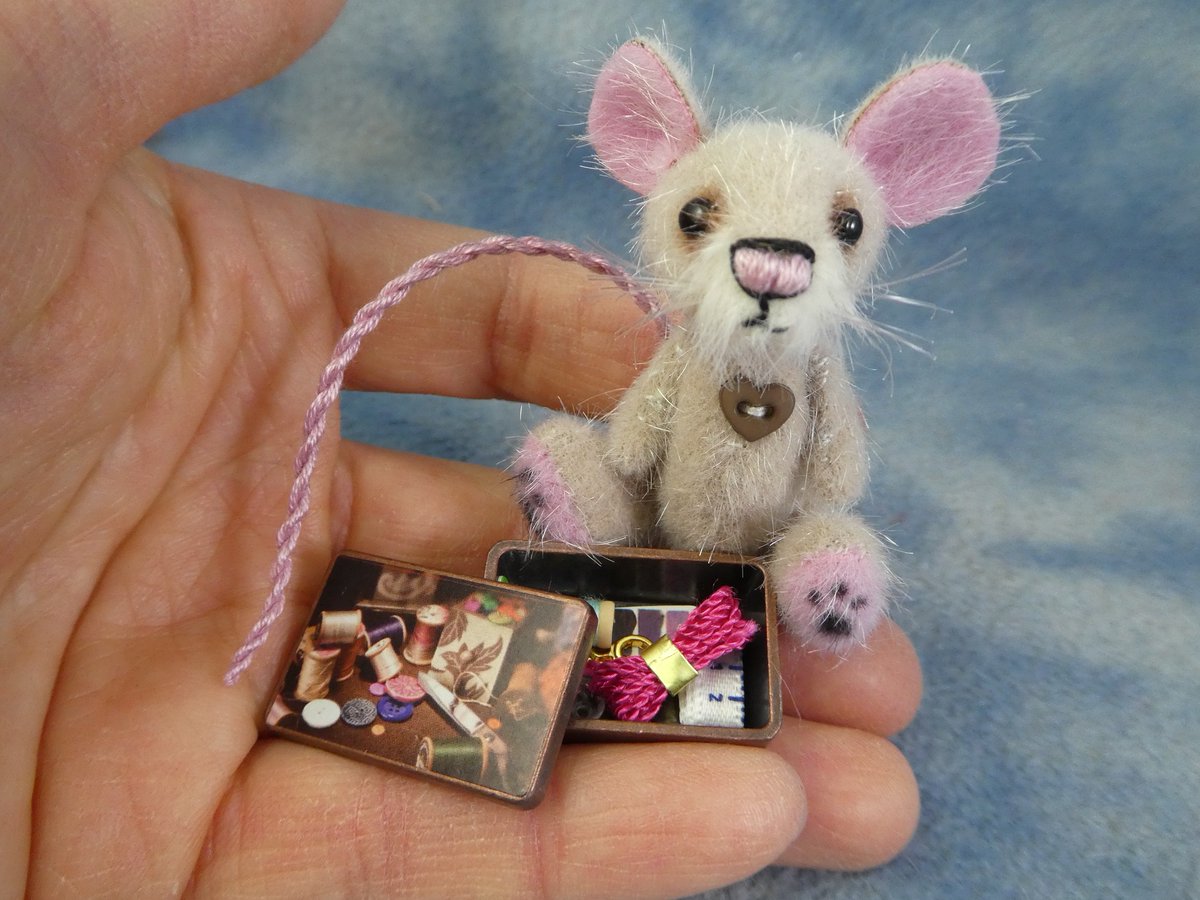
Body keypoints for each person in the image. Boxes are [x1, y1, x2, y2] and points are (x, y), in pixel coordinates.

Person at [1, 2, 922, 895]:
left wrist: (812, 526)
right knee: (591, 464)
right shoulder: (682, 362)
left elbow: (837, 473)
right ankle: (576, 511)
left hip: (751, 569)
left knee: (823, 534)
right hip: (647, 553)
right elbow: (638, 442)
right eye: (699, 218)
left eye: (839, 228)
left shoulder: (819, 375)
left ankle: (818, 580)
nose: (771, 264)